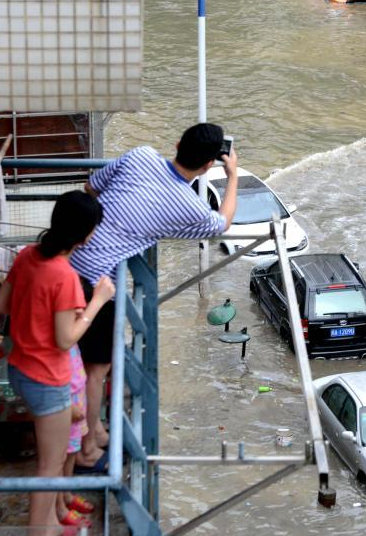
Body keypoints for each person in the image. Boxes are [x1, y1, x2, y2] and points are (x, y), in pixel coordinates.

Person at [70, 123, 239, 472]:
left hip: (69, 258)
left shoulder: (141, 154)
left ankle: (97, 429)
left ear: (177, 143)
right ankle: (87, 448)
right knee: (95, 370)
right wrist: (233, 175)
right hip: (94, 284)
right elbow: (222, 222)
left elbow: (91, 186)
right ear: (209, 165)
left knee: (86, 364)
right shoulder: (187, 206)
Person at [0, 191, 115, 535]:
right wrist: (97, 302)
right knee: (50, 464)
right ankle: (40, 530)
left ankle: (50, 519)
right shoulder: (65, 277)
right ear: (87, 234)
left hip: (20, 369)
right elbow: (65, 339)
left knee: (52, 457)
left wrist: (42, 310)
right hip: (48, 379)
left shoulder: (29, 255)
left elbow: (1, 304)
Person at [56, 345, 94, 529]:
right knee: (58, 457)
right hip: (65, 395)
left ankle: (66, 493)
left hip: (76, 388)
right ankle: (59, 506)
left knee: (72, 449)